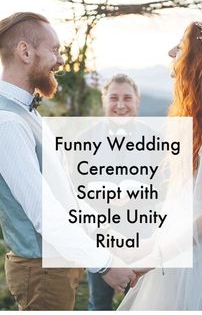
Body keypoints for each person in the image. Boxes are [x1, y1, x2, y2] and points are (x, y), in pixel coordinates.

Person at [0, 12, 137, 310]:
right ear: (25, 51)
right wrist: (105, 265)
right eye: (55, 50)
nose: (61, 60)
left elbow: (65, 198)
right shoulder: (7, 121)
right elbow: (43, 213)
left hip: (57, 266)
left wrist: (106, 235)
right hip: (42, 271)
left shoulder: (29, 113)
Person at [118, 20, 202, 310]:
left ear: (200, 61)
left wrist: (153, 258)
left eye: (181, 47)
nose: (172, 53)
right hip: (187, 244)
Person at [87, 74, 140, 310]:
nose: (120, 105)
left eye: (127, 98)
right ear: (103, 101)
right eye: (114, 98)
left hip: (142, 239)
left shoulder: (156, 139)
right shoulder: (84, 138)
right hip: (99, 241)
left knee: (142, 303)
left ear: (136, 101)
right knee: (98, 304)